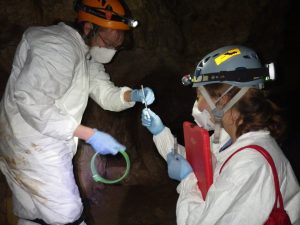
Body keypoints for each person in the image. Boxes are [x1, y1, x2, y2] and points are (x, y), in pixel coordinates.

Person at [0, 0, 155, 224]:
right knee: (67, 214)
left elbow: (105, 93)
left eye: (117, 44)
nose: (112, 49)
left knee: (33, 214)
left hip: (28, 143)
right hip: (35, 146)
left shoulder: (84, 53)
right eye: (109, 41)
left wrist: (132, 96)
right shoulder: (57, 47)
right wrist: (89, 134)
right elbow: (32, 102)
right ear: (88, 28)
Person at [141, 45, 300, 225]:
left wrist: (186, 180)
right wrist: (161, 132)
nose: (198, 106)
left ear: (222, 99)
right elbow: (197, 166)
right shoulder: (228, 139)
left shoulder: (250, 165)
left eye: (199, 96)